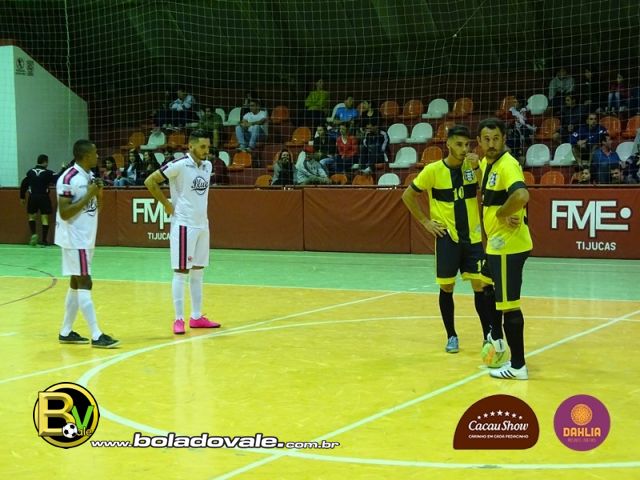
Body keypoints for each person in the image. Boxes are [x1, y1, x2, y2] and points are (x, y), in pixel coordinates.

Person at [402, 125, 497, 354]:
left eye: (467, 145)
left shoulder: (474, 167)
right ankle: (451, 335)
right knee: (446, 287)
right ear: (448, 144)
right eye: (459, 144)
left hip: (473, 238)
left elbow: (487, 190)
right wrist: (426, 222)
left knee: (481, 286)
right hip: (447, 238)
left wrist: (478, 168)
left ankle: (488, 335)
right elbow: (408, 195)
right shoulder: (433, 171)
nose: (464, 149)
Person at [144, 130, 221, 334]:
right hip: (184, 225)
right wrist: (167, 205)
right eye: (202, 146)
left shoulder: (208, 166)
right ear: (191, 146)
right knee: (180, 273)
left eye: (208, 146)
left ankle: (196, 317)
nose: (206, 150)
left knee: (198, 271)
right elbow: (150, 181)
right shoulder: (178, 165)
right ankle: (178, 319)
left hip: (202, 225)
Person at [477, 118, 532, 380]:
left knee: (509, 306)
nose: (491, 144)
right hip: (496, 245)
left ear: (504, 139)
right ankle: (497, 338)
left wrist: (502, 212)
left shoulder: (507, 164)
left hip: (509, 246)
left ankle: (518, 366)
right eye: (486, 139)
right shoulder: (486, 163)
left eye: (496, 138)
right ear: (480, 142)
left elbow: (521, 195)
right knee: (486, 285)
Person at [55, 140, 119, 348]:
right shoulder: (68, 178)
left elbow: (96, 208)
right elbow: (65, 213)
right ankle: (97, 335)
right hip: (75, 239)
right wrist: (89, 194)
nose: (98, 156)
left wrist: (98, 194)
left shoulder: (89, 176)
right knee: (85, 282)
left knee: (76, 283)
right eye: (95, 153)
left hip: (86, 238)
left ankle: (66, 331)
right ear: (84, 155)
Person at [19, 154, 56, 246]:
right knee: (44, 218)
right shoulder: (49, 173)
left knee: (32, 217)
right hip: (44, 197)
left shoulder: (30, 172)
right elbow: (58, 178)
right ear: (45, 162)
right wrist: (64, 168)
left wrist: (22, 197)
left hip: (33, 197)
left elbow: (23, 184)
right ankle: (44, 240)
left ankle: (34, 234)